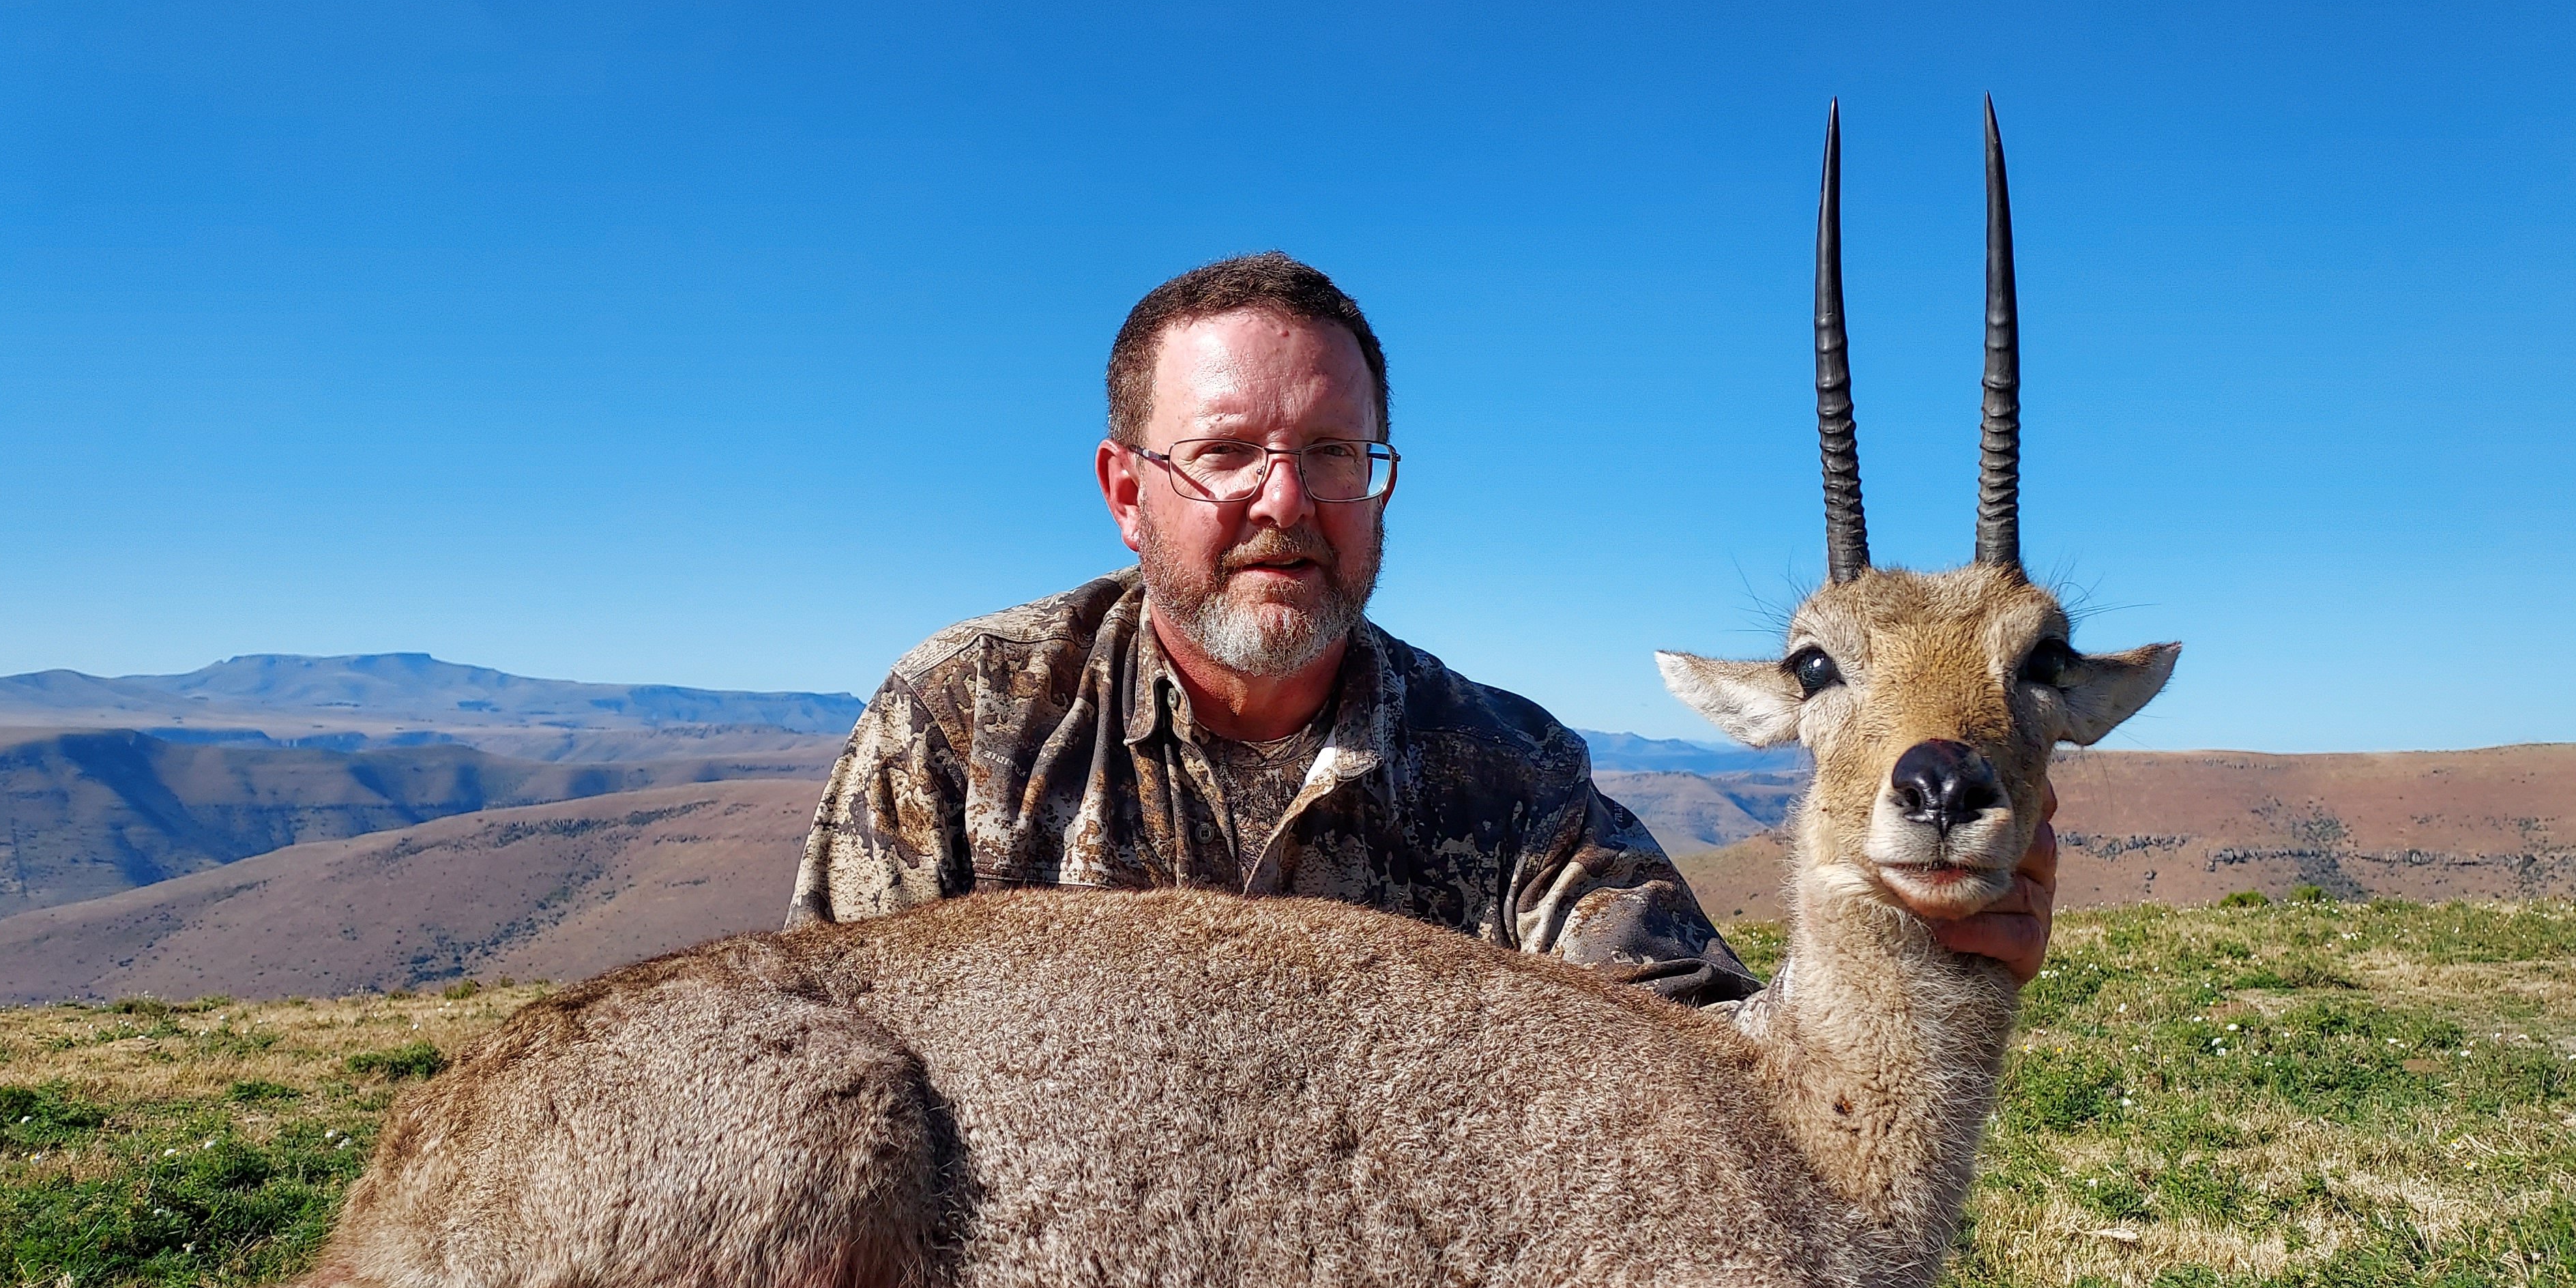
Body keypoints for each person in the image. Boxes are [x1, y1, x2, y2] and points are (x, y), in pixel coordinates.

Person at [787, 253, 2056, 1004]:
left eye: (1332, 453)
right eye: (1228, 454)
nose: (1286, 502)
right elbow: (813, 1047)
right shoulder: (960, 724)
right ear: (1128, 492)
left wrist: (1902, 960)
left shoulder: (1509, 776)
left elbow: (1700, 1064)